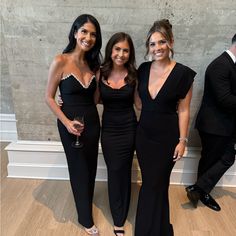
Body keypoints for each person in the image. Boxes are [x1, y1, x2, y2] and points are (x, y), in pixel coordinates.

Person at [134, 19, 196, 236]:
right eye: (152, 44)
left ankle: (148, 229)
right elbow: (138, 102)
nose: (157, 48)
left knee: (156, 183)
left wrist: (182, 140)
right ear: (148, 47)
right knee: (151, 183)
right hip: (143, 137)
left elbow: (184, 110)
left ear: (171, 42)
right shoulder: (142, 70)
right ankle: (155, 227)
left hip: (166, 139)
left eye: (161, 42)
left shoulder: (183, 74)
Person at [45, 14, 102, 235]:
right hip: (71, 126)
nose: (88, 37)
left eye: (93, 34)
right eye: (85, 31)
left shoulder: (93, 65)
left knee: (90, 167)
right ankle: (86, 219)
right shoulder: (60, 60)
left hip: (92, 123)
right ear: (75, 32)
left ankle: (86, 199)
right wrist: (67, 122)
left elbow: (96, 99)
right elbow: (49, 97)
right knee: (78, 169)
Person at [186, 34, 236, 212]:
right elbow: (225, 100)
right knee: (210, 161)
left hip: (224, 125)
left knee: (226, 158)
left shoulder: (229, 65)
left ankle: (198, 189)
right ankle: (201, 191)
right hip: (214, 125)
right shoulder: (220, 66)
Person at [98, 32, 140, 236]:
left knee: (123, 171)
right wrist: (66, 100)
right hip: (108, 131)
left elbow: (140, 104)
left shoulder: (134, 76)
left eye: (125, 50)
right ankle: (118, 215)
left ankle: (119, 220)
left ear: (130, 53)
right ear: (110, 50)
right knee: (114, 171)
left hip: (129, 129)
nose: (121, 54)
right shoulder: (101, 73)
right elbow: (92, 99)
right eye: (117, 49)